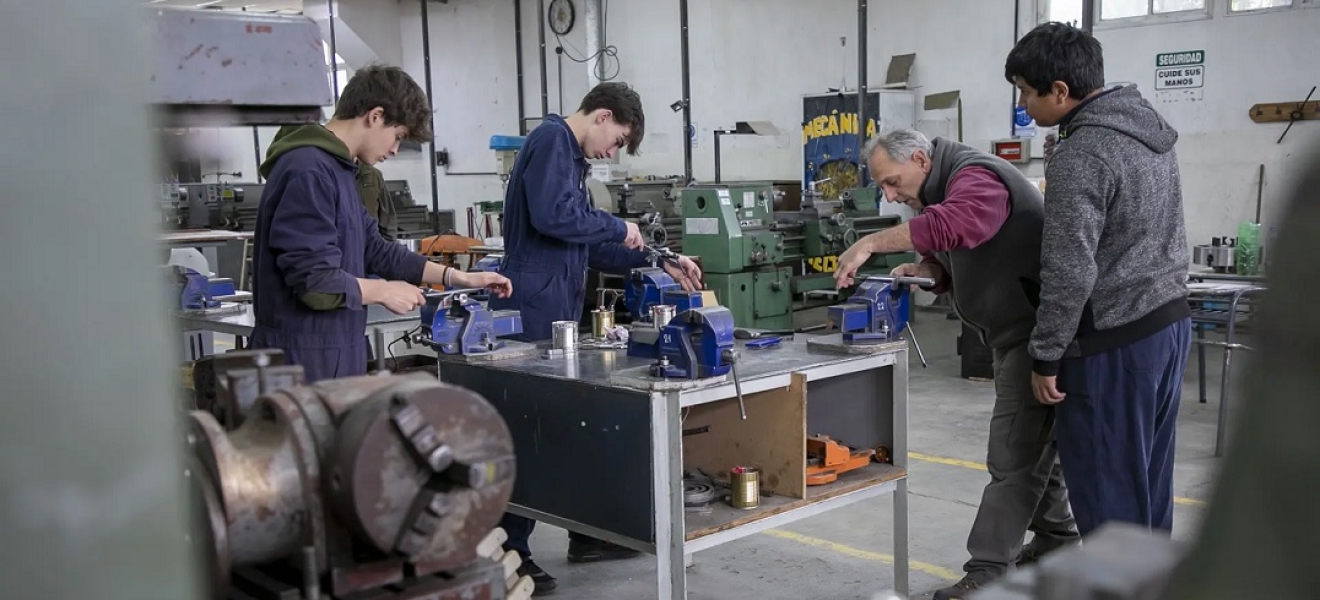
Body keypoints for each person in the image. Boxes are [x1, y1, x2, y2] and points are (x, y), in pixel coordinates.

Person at [834, 128, 1079, 599]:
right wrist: (930, 270)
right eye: (882, 186)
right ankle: (1057, 540)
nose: (889, 194)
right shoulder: (939, 189)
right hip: (1011, 334)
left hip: (1035, 335)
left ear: (922, 160)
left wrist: (870, 244)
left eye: (891, 181)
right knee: (1033, 446)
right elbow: (956, 245)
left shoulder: (977, 177)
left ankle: (988, 570)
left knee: (1012, 455)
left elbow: (964, 223)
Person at [489, 81, 701, 596]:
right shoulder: (552, 141)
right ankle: (512, 553)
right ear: (602, 115)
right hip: (531, 314)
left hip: (555, 310)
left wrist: (658, 259)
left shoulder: (570, 159)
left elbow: (589, 248)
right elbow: (555, 217)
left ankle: (587, 534)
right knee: (529, 434)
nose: (613, 152)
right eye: (617, 139)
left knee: (566, 426)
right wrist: (615, 223)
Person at [1005, 23, 1191, 536]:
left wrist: (1046, 354)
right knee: (1147, 485)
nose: (1024, 103)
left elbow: (1069, 266)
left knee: (1108, 495)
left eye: (1025, 91)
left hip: (1114, 344)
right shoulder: (1146, 127)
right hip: (1167, 325)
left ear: (1060, 91)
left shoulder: (1084, 151)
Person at [251, 64, 511, 383]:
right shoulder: (310, 171)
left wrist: (460, 278)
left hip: (332, 353)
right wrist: (383, 290)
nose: (394, 149)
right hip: (301, 362)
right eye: (398, 136)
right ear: (375, 116)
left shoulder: (338, 170)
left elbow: (376, 249)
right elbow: (314, 281)